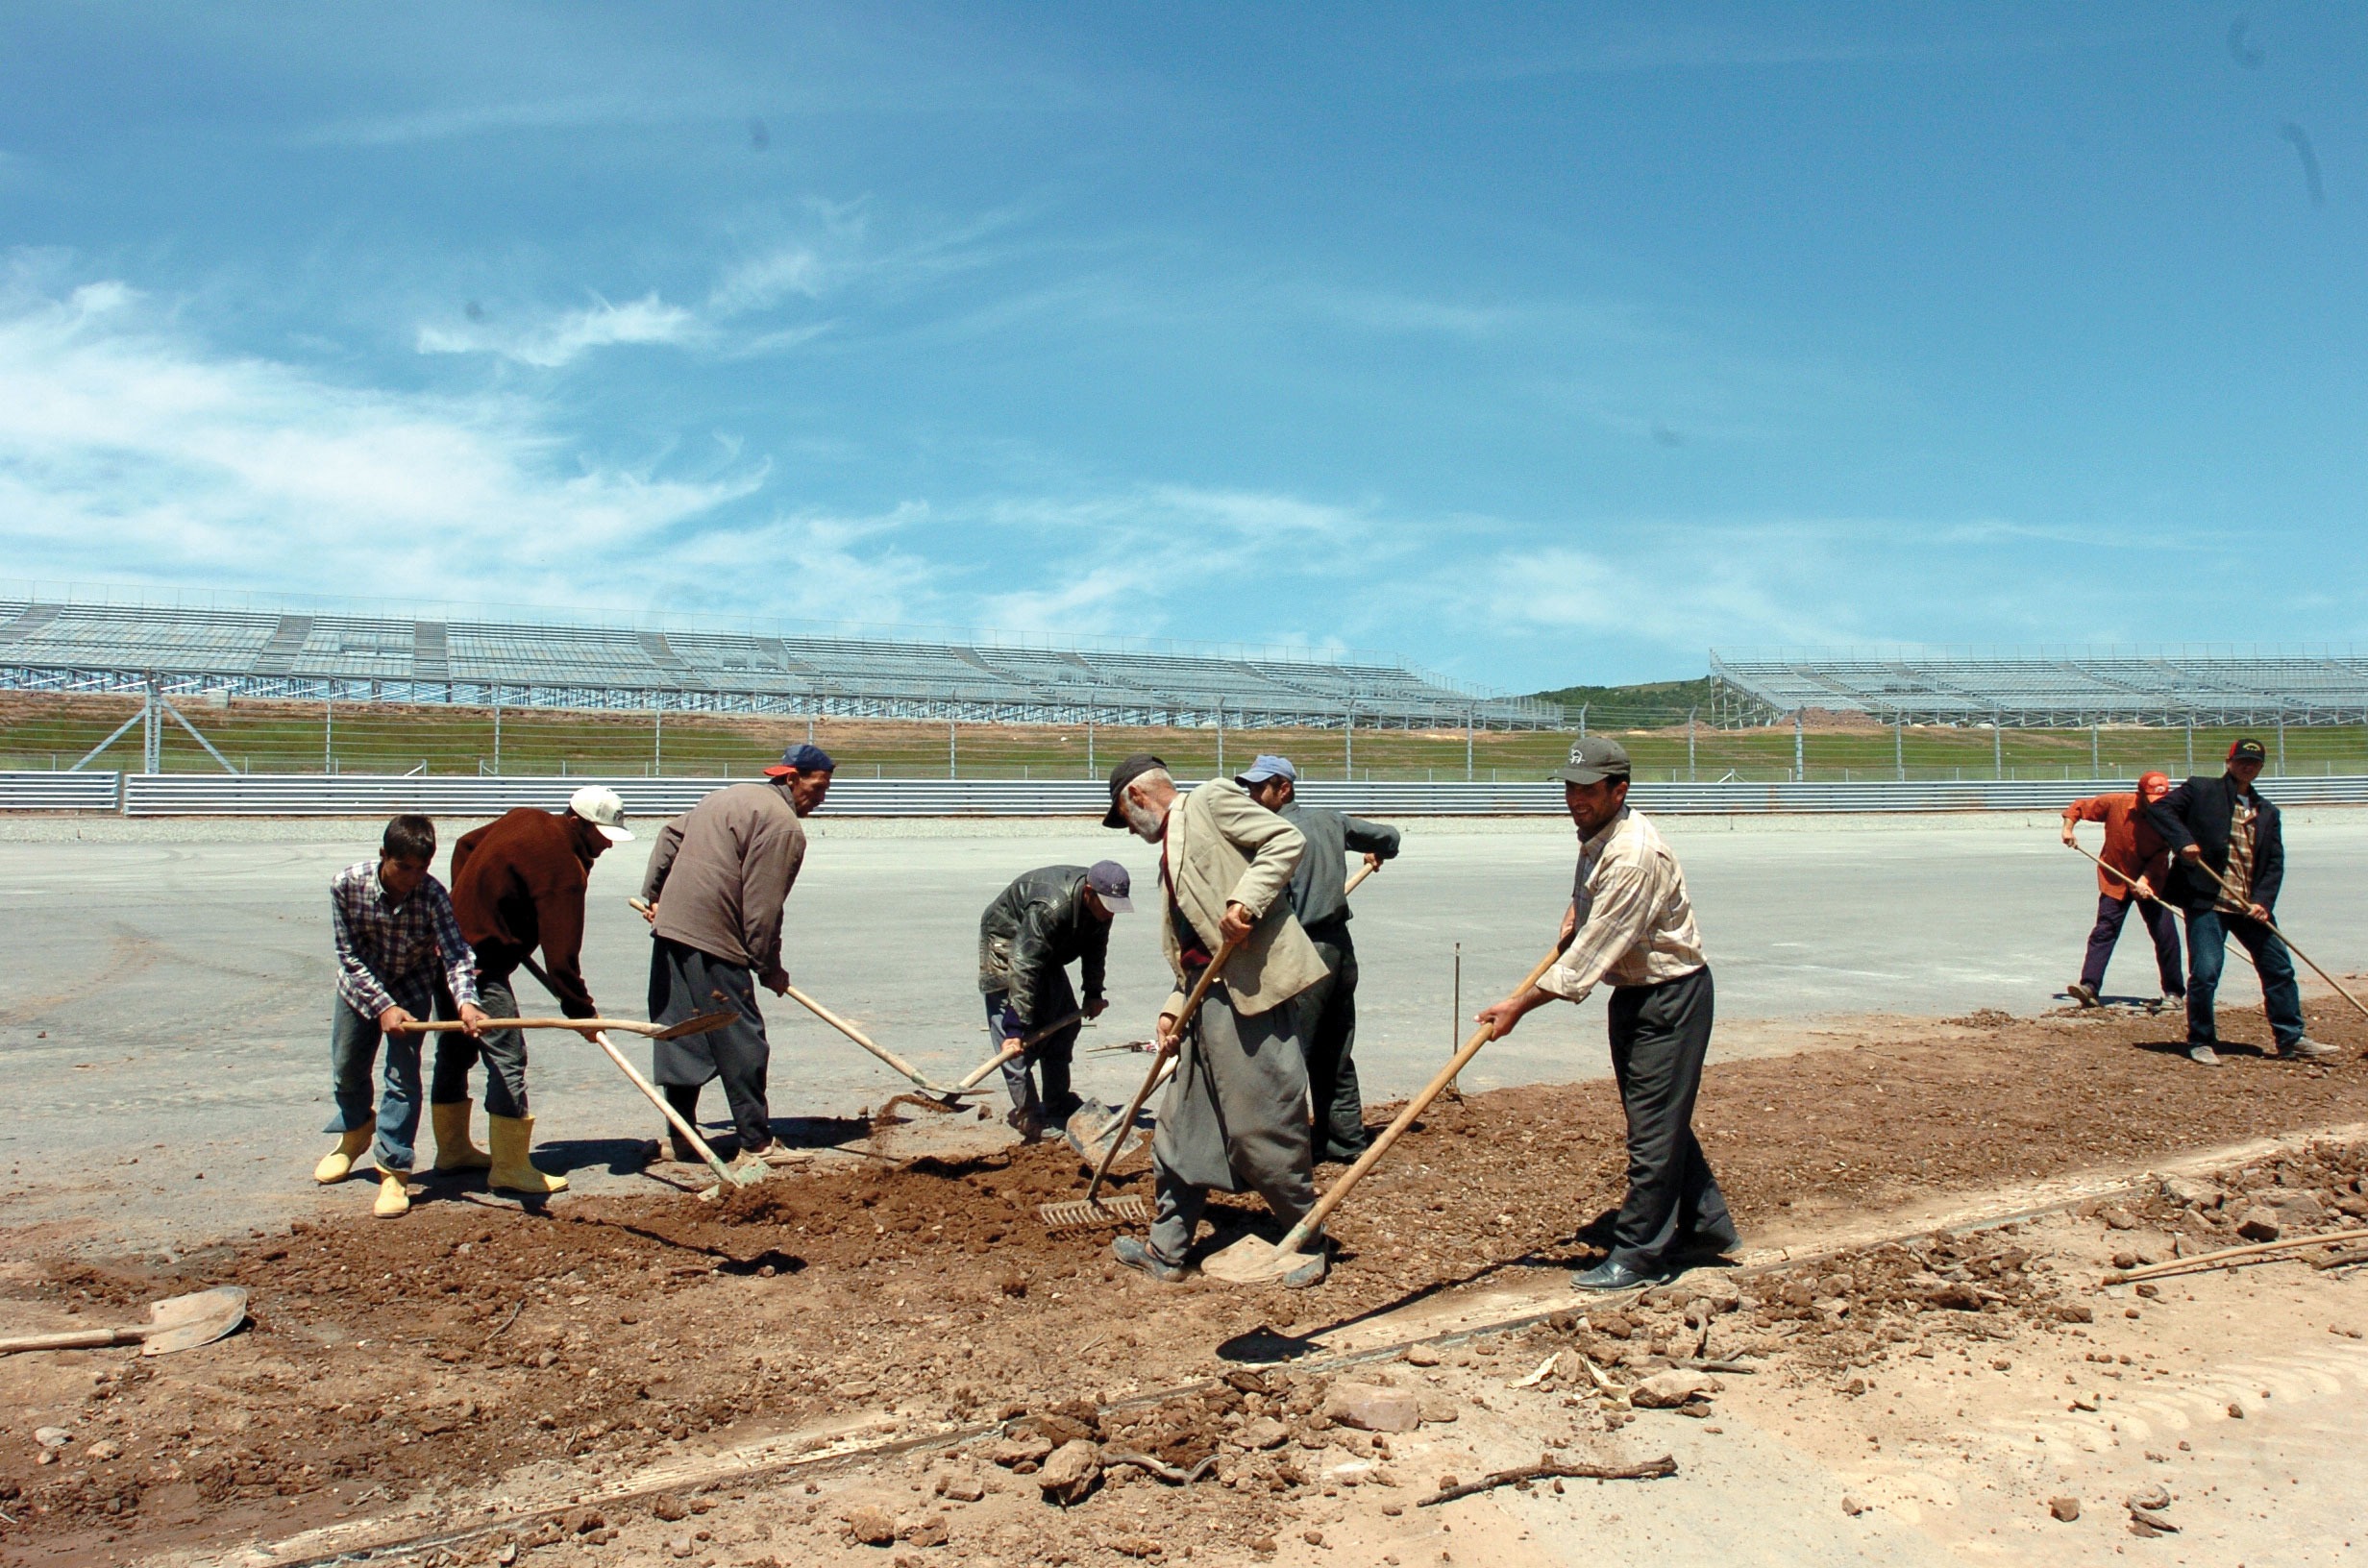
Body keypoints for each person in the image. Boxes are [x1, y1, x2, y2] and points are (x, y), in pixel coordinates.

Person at [1475, 738, 1738, 1291]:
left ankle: (1641, 1255)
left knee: (1651, 1134)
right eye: (1570, 787)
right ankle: (1708, 1226)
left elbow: (1591, 958)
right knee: (1658, 1122)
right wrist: (1578, 910)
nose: (1575, 799)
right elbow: (1592, 910)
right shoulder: (1600, 832)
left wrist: (1520, 1004)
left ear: (1620, 789)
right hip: (1637, 993)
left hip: (1670, 999)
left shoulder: (1634, 854)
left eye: (1588, 789)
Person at [1101, 753, 1330, 1287]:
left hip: (1249, 998)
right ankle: (1167, 1250)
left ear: (1137, 797)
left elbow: (1285, 841)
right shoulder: (1168, 852)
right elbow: (1192, 946)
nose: (1130, 831)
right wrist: (1172, 1006)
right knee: (1180, 1132)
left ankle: (1307, 1239)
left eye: (1123, 815)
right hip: (1205, 1001)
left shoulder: (1208, 801)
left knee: (1262, 1128)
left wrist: (1246, 903)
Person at [639, 744, 834, 1170]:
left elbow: (670, 834)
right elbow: (762, 909)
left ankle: (682, 1138)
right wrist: (768, 966)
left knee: (681, 1032)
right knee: (741, 1039)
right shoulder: (782, 826)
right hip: (714, 938)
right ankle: (755, 1143)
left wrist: (654, 895)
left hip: (671, 928)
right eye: (817, 788)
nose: (820, 799)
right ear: (790, 778)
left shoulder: (726, 795)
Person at [445, 785, 635, 1195]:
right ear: (575, 823)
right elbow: (562, 956)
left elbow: (465, 846)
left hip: (444, 951)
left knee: (456, 1047)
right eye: (600, 836)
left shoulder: (525, 817)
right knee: (507, 1056)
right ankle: (510, 1167)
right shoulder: (563, 868)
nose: (606, 845)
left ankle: (452, 1150)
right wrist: (581, 1011)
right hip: (481, 965)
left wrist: (467, 904)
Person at [314, 814, 491, 1219]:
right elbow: (350, 957)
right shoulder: (346, 885)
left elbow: (457, 954)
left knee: (402, 1079)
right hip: (360, 990)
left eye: (422, 869)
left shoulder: (432, 895)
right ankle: (356, 1129)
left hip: (411, 989)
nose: (413, 877)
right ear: (383, 856)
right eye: (404, 867)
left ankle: (393, 1169)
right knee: (346, 1069)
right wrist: (383, 1007)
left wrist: (466, 1001)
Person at [1235, 753, 1401, 1163]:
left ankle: (1282, 1155)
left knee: (1289, 1056)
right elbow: (1390, 837)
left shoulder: (1271, 834)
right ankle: (1345, 1143)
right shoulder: (1331, 819)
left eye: (1260, 787)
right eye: (1250, 787)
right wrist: (1377, 852)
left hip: (1303, 953)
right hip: (1340, 952)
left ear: (1284, 788)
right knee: (1334, 1049)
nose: (1252, 795)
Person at [2147, 738, 2333, 1066]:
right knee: (2205, 972)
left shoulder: (2268, 812)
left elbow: (2274, 862)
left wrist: (2263, 901)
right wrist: (2184, 842)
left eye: (2255, 762)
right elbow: (2159, 809)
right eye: (2242, 760)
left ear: (2261, 767)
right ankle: (2201, 1040)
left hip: (2249, 906)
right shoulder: (2201, 790)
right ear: (2229, 761)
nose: (2248, 766)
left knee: (2279, 968)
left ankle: (2291, 1038)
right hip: (2208, 899)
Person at [977, 861, 1132, 1139]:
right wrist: (1015, 1027)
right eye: (1106, 906)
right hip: (1008, 939)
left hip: (1044, 945)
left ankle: (1057, 1101)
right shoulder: (1051, 907)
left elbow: (1096, 948)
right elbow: (1024, 964)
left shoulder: (1102, 912)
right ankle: (1028, 1114)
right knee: (1014, 1046)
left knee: (1065, 1021)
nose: (1110, 914)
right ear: (1088, 892)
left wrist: (1094, 992)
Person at [2060, 772, 2183, 1011]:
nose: (2156, 804)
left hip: (2152, 884)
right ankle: (2090, 987)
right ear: (2140, 794)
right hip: (2115, 878)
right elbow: (2078, 807)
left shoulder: (2169, 815)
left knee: (2165, 935)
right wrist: (2068, 830)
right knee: (2104, 931)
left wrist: (2145, 880)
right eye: (2151, 798)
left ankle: (2174, 992)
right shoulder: (2116, 804)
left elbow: (2161, 854)